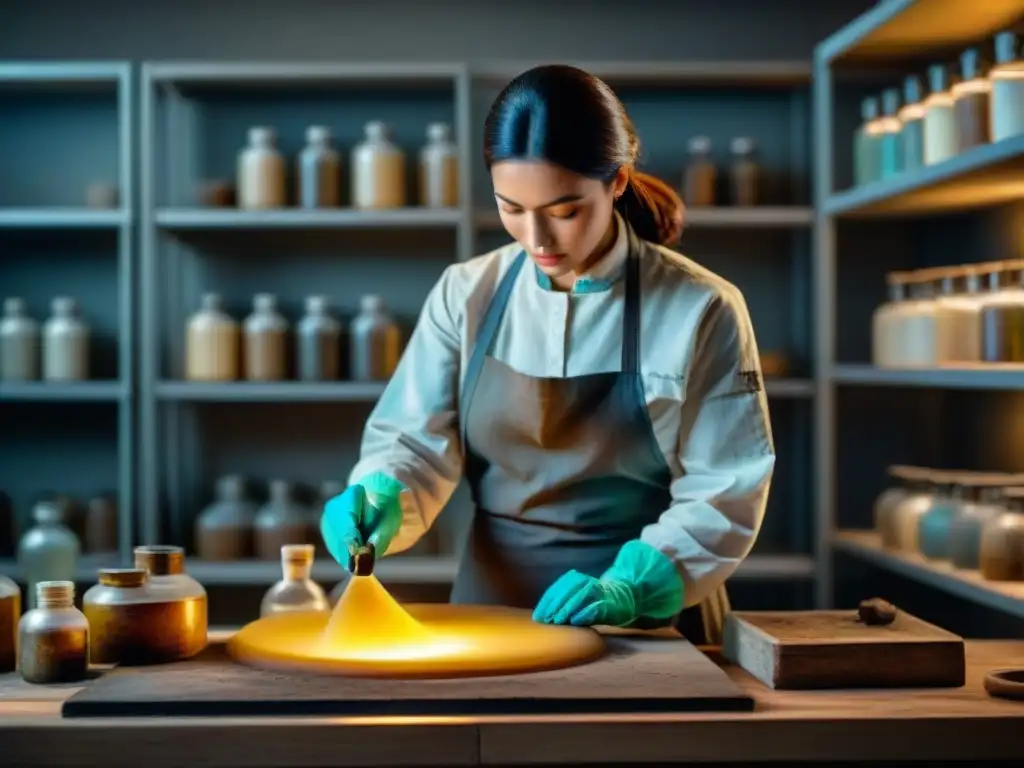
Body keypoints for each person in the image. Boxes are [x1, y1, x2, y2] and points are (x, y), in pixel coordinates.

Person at [322, 64, 775, 641]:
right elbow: (413, 442)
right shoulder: (468, 294)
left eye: (564, 212)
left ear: (616, 181)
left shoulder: (700, 308)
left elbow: (726, 487)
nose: (537, 239)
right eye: (511, 208)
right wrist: (382, 492)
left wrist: (632, 587)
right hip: (490, 617)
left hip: (646, 623)